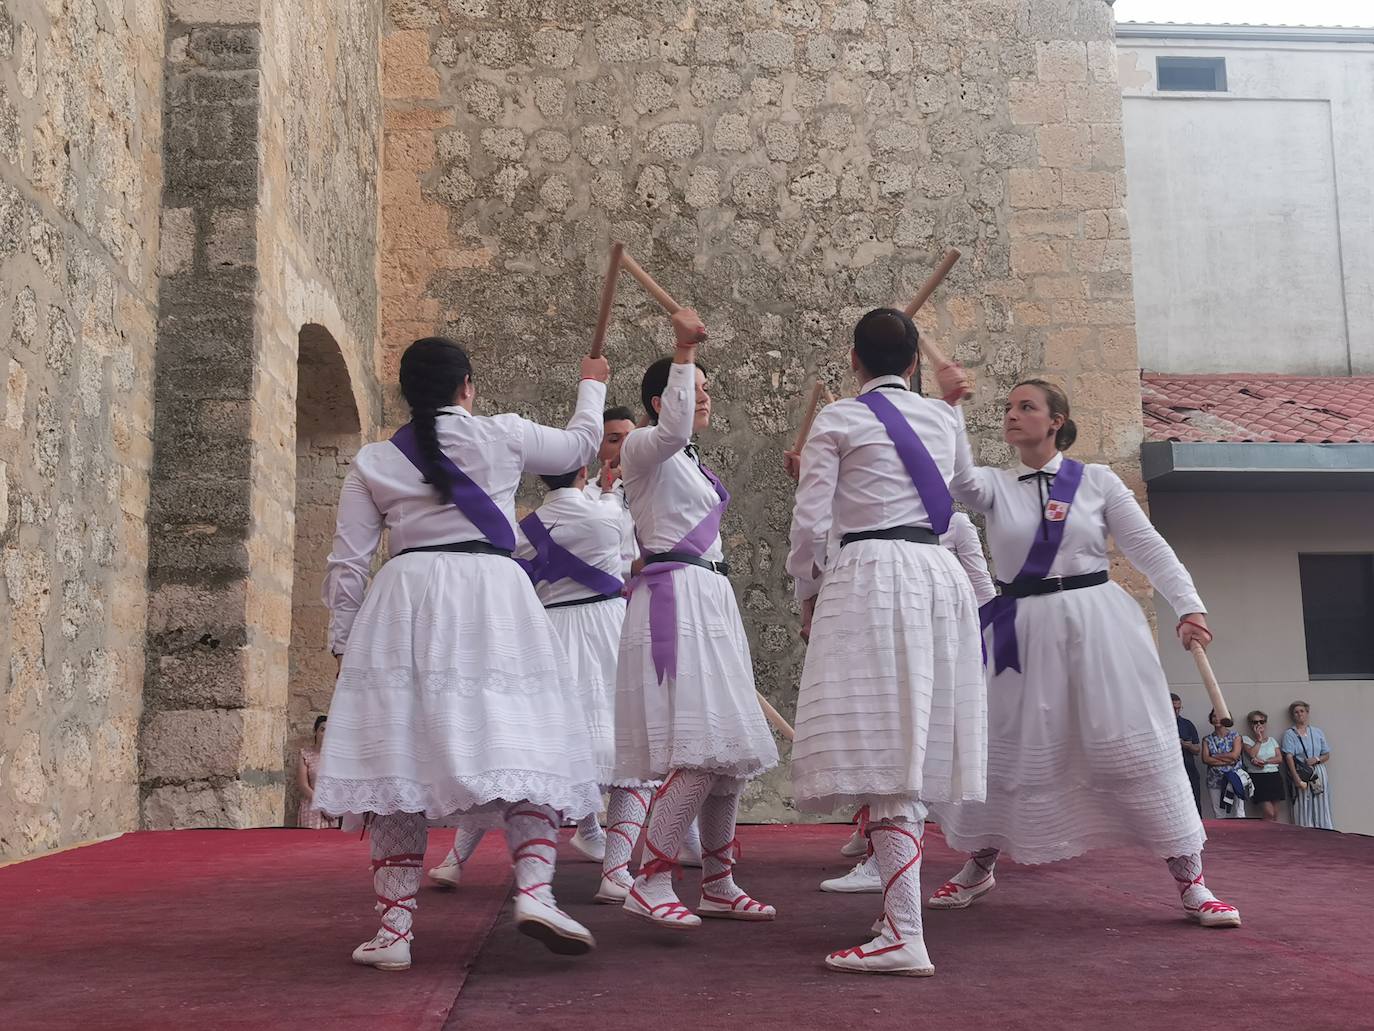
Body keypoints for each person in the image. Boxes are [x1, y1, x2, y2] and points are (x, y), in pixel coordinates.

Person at [316, 336, 609, 970]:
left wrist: (344, 638)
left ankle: (394, 933)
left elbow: (349, 561)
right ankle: (535, 890)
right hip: (492, 597)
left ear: (406, 394)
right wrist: (592, 383)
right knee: (524, 742)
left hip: (406, 598)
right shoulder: (502, 435)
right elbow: (583, 446)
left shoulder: (375, 460)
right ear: (467, 387)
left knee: (399, 764)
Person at [929, 378, 1241, 929]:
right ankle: (981, 861)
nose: (1012, 415)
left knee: (1132, 739)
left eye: (1026, 407)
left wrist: (1189, 607)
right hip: (1018, 630)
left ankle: (1191, 879)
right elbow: (958, 479)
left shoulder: (1095, 481)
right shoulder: (995, 486)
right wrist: (951, 408)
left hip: (1097, 624)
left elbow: (1147, 546)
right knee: (1006, 741)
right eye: (1007, 408)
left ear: (1056, 420)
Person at [787, 308, 988, 975]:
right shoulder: (941, 418)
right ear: (911, 365)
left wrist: (806, 591)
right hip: (938, 573)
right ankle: (898, 915)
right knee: (906, 741)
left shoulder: (837, 419)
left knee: (884, 743)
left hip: (870, 577)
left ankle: (905, 931)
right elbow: (965, 491)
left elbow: (810, 523)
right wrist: (954, 403)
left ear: (853, 360)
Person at [613, 308, 780, 930]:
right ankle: (649, 877)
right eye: (696, 388)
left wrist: (686, 362)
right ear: (663, 399)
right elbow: (674, 429)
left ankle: (719, 881)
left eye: (706, 387)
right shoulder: (645, 449)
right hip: (674, 601)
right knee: (700, 749)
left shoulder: (690, 465)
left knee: (730, 752)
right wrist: (682, 353)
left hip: (713, 601)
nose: (706, 397)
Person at [813, 511, 995, 896]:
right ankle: (876, 843)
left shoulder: (956, 525)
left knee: (911, 752)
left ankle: (885, 861)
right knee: (879, 738)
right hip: (883, 636)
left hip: (934, 646)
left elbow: (981, 588)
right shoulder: (867, 522)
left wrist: (978, 646)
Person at [1282, 700, 1334, 830]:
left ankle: (1324, 830)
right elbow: (1289, 757)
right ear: (1292, 716)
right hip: (1301, 772)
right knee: (1303, 803)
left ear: (1307, 713)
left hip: (1318, 772)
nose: (1299, 714)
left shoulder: (1317, 732)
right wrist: (1296, 778)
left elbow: (1326, 754)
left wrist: (1316, 759)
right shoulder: (1290, 734)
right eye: (1296, 712)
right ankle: (1305, 831)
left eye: (1302, 711)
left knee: (1321, 802)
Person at [1202, 710, 1246, 819]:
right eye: (1214, 716)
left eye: (1220, 716)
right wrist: (1227, 760)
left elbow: (1235, 756)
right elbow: (1206, 759)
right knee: (1219, 811)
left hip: (1234, 777)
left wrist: (1215, 756)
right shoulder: (1207, 739)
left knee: (1239, 809)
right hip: (1215, 779)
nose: (1217, 719)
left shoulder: (1236, 736)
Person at [1242, 709, 1283, 822]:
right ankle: (1266, 836)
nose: (1259, 724)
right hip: (1258, 777)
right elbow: (1252, 754)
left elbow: (1279, 758)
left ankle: (1275, 836)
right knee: (1269, 813)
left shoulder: (1272, 740)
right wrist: (1259, 740)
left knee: (1275, 814)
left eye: (1261, 721)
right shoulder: (1246, 739)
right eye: (1255, 722)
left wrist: (1266, 762)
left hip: (1274, 776)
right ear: (1251, 724)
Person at [296, 715, 336, 829]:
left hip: (331, 810)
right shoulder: (305, 754)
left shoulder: (335, 757)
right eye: (322, 730)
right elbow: (303, 785)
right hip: (312, 807)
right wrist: (322, 805)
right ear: (315, 731)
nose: (325, 734)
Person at [1173, 693, 1203, 814]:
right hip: (1167, 773)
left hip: (1188, 770)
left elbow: (1197, 749)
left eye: (1179, 708)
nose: (1176, 711)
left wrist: (1187, 745)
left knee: (1194, 803)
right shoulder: (1156, 725)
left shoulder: (1187, 724)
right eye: (1173, 708)